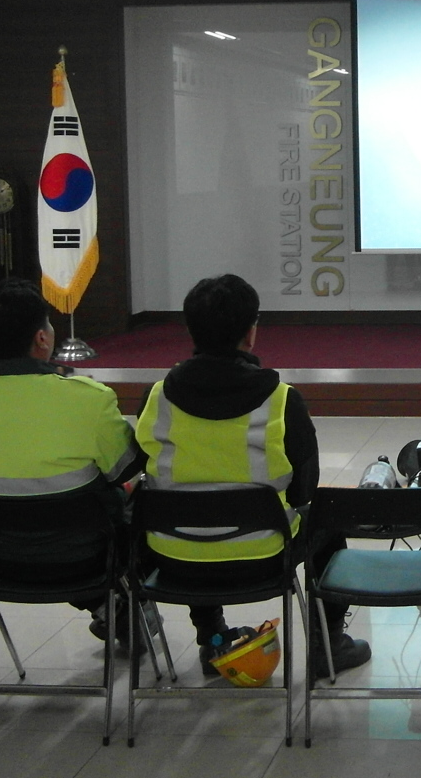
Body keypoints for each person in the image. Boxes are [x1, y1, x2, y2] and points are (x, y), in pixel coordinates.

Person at [135, 274, 370, 678]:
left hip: (174, 559)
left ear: (191, 330)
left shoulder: (156, 397)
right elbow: (304, 490)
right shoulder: (282, 400)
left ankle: (213, 639)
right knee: (327, 520)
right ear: (250, 332)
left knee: (191, 512)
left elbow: (143, 468)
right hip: (264, 559)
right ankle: (328, 646)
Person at [0, 280, 146, 645]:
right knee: (134, 499)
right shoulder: (89, 399)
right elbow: (125, 470)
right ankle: (121, 608)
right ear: (41, 338)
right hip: (86, 557)